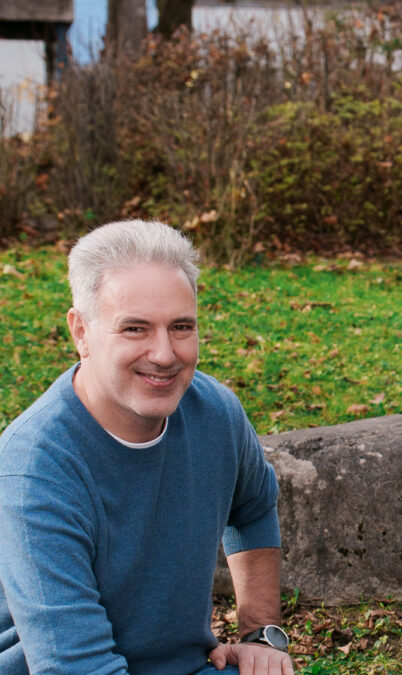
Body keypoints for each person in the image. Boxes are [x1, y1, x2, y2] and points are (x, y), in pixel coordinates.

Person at [0, 220, 294, 674]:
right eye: (135, 328)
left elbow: (253, 507)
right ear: (81, 332)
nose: (164, 354)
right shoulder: (35, 468)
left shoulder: (215, 413)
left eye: (181, 326)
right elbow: (75, 666)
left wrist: (260, 634)